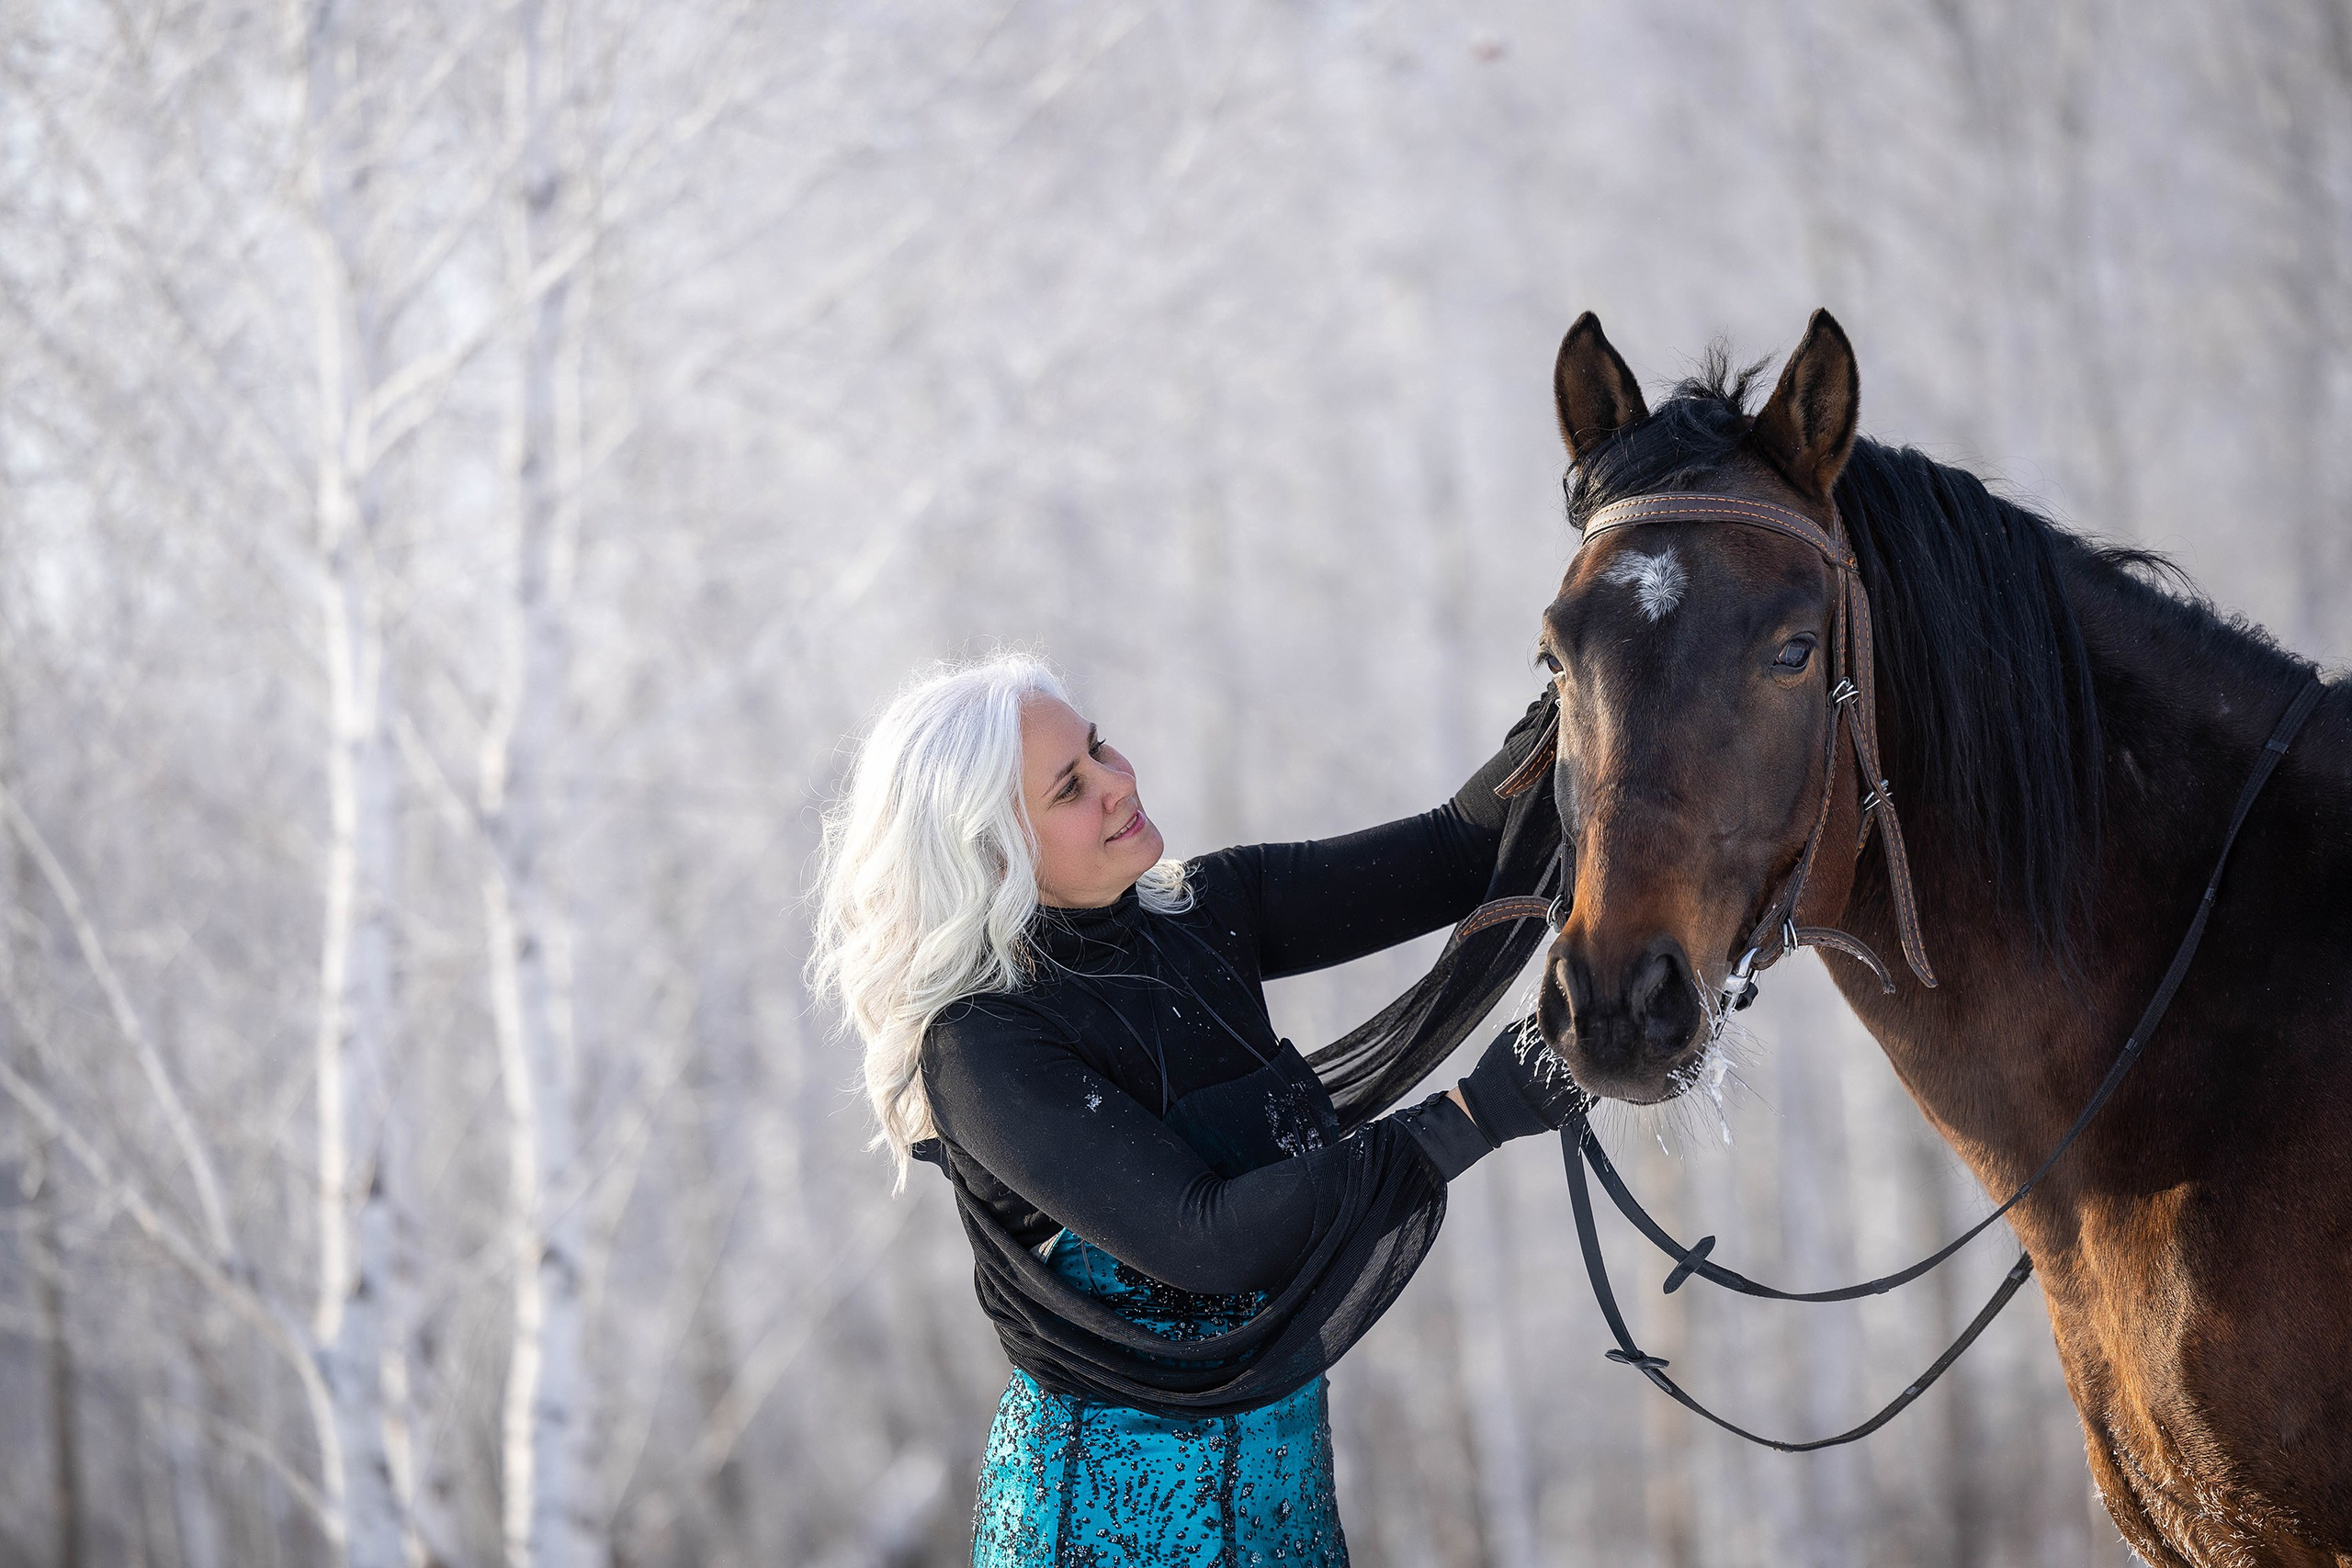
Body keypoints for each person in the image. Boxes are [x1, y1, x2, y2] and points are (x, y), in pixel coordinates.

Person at [810, 656, 1579, 1567]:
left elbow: (1457, 851)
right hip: (1107, 1527)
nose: (1116, 782)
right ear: (992, 853)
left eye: (1098, 748)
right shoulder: (983, 1046)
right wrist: (1473, 1113)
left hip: (1282, 1505)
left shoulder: (1204, 911)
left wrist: (1583, 693)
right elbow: (1205, 1240)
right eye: (1070, 786)